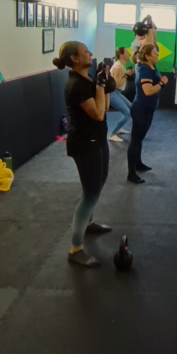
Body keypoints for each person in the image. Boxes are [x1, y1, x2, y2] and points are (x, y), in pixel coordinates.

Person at [53, 41, 112, 267]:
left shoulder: (87, 80)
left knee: (100, 181)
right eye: (85, 51)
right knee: (90, 194)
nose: (90, 53)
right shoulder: (75, 85)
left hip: (98, 139)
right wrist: (99, 86)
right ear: (75, 59)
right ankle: (75, 248)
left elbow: (105, 107)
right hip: (84, 144)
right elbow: (97, 114)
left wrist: (103, 85)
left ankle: (88, 223)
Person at [127, 43, 168, 184]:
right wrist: (162, 83)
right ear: (147, 56)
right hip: (140, 109)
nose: (157, 54)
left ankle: (138, 163)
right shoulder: (144, 69)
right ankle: (131, 173)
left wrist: (152, 29)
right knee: (135, 140)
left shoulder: (152, 66)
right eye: (155, 53)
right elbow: (148, 91)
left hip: (148, 108)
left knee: (139, 139)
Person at [108, 47, 133, 142]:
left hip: (117, 93)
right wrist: (126, 75)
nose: (129, 54)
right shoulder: (118, 67)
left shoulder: (121, 66)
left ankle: (118, 128)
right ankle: (112, 134)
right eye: (126, 52)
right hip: (113, 93)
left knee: (131, 107)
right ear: (121, 55)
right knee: (127, 113)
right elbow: (117, 84)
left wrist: (126, 74)